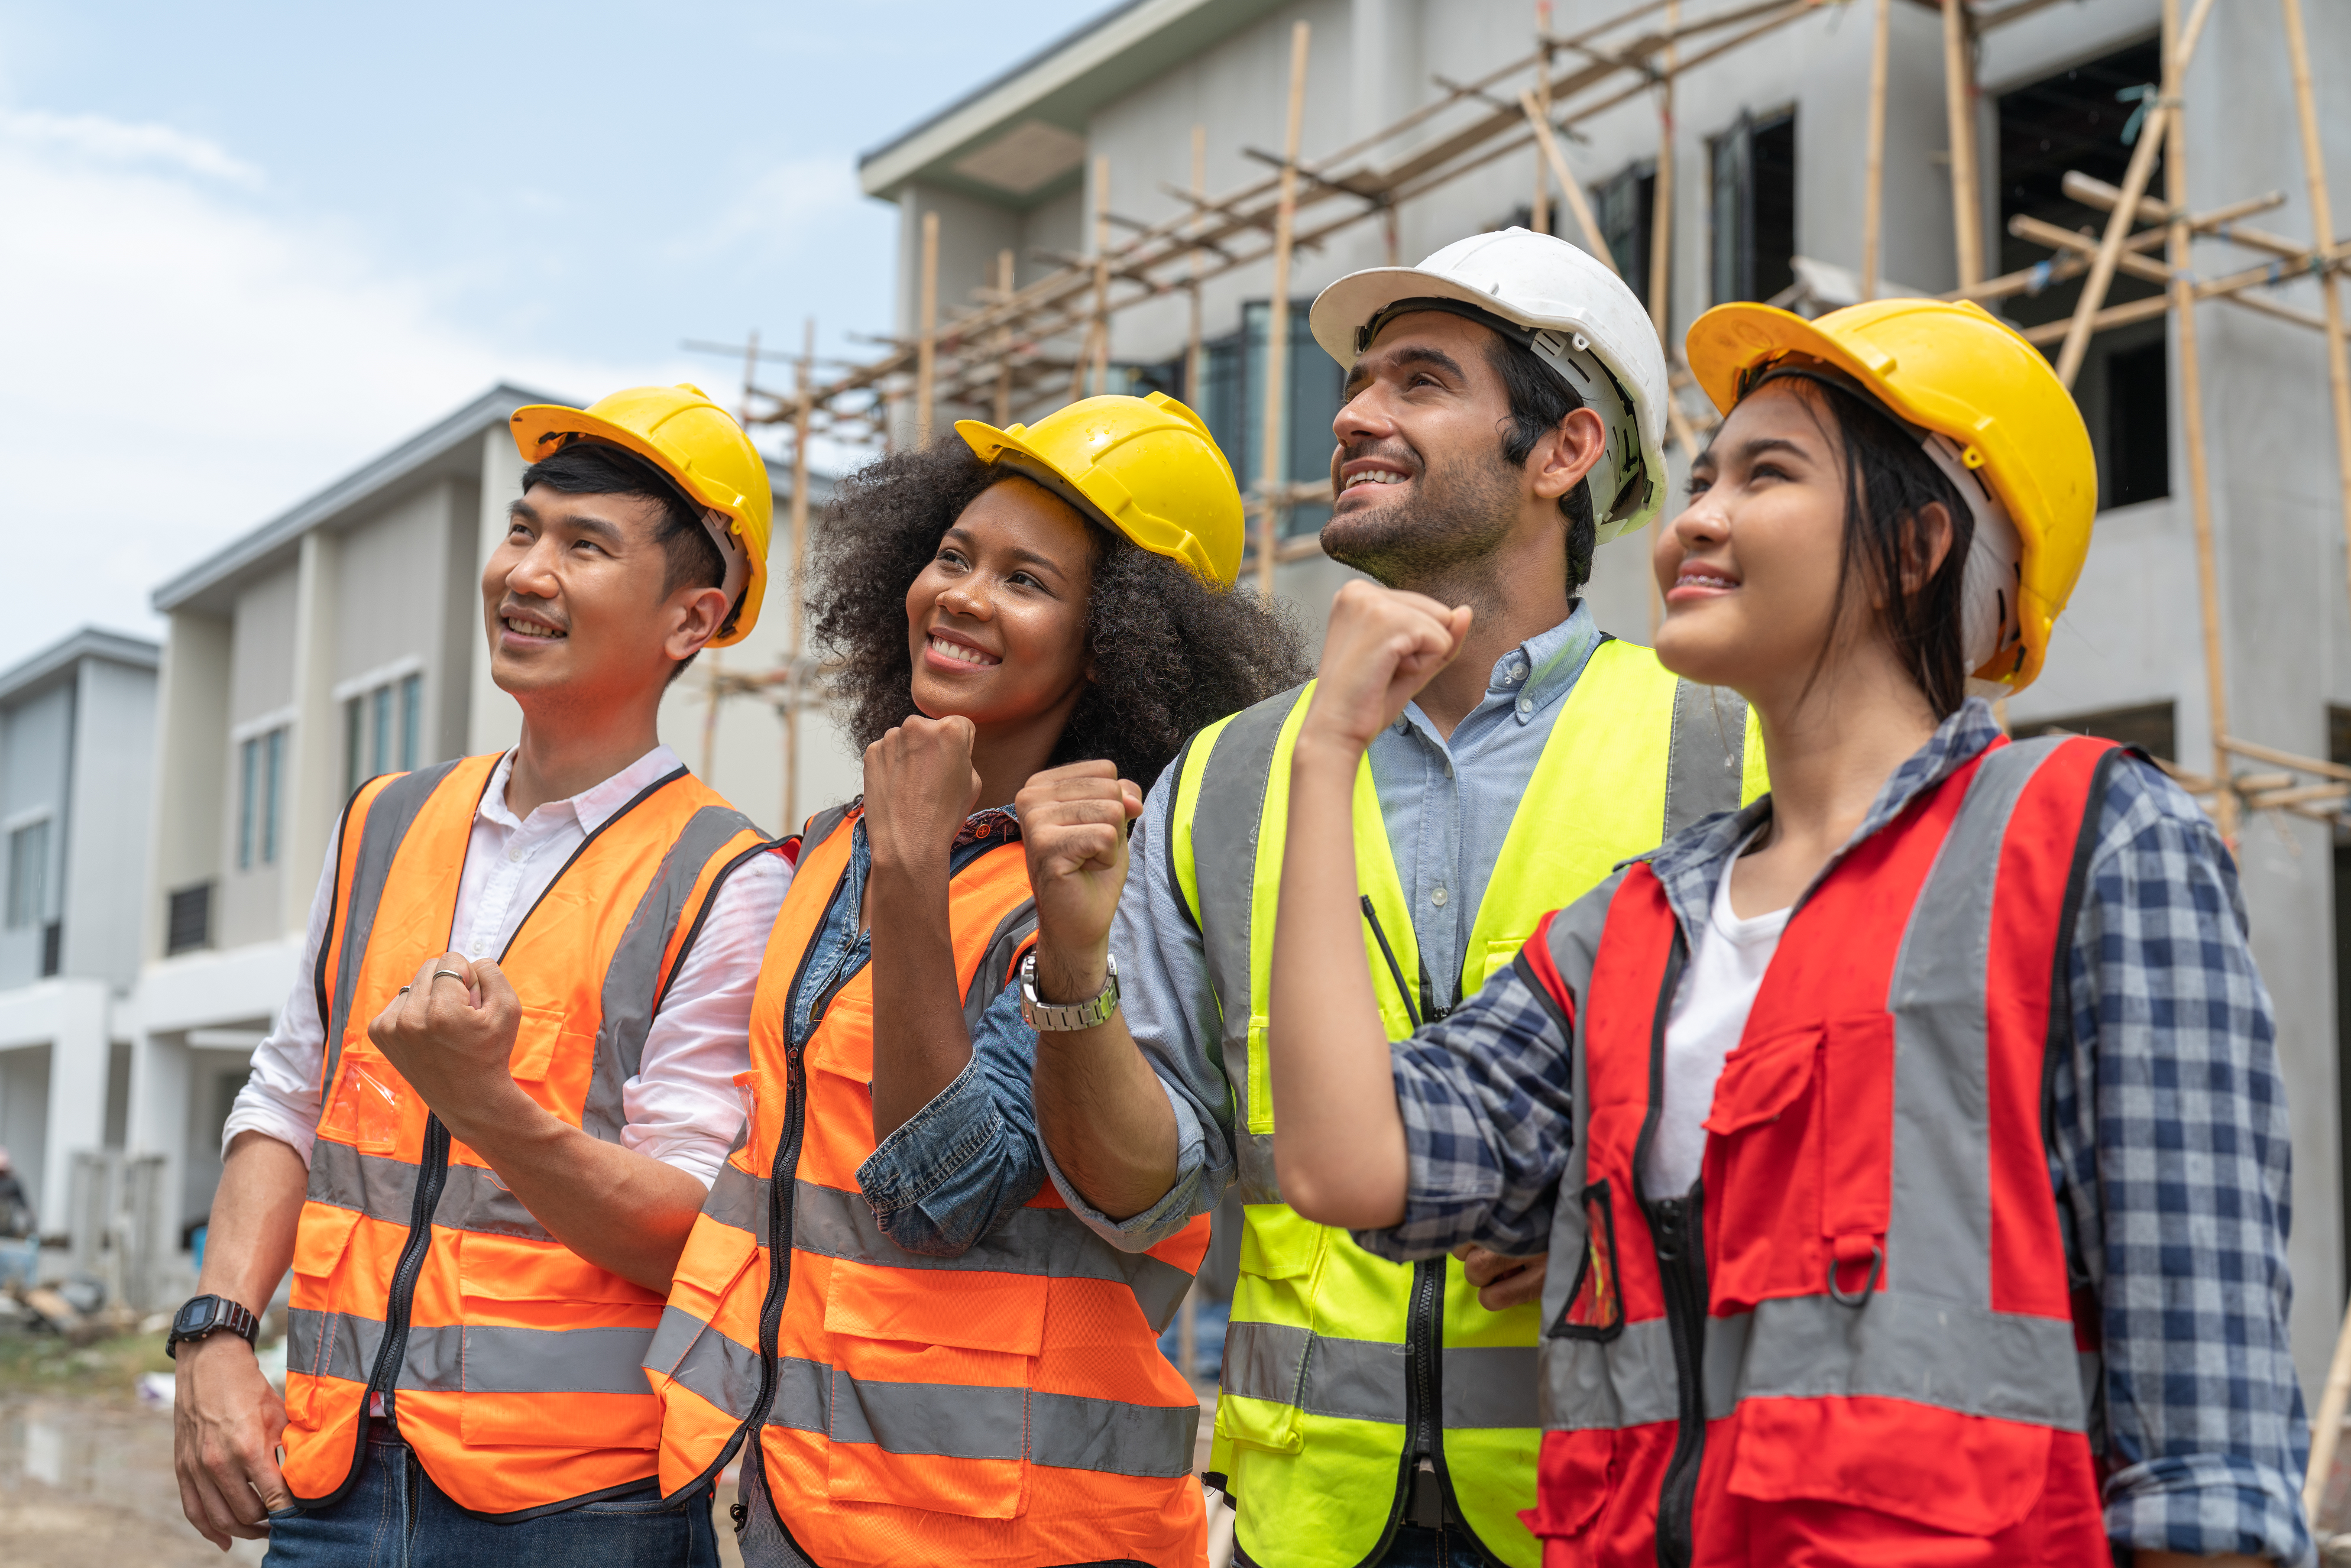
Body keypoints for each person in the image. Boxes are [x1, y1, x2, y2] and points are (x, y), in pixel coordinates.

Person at [1262, 297, 2310, 1566]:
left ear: (1915, 544)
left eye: (1765, 474)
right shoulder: (1632, 929)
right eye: (1701, 475)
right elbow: (1346, 1164)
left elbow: (2205, 1451)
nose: (1694, 516)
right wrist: (1328, 748)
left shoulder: (2088, 842)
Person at [1012, 230, 1761, 1568]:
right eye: (1360, 383)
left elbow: (1835, 1137)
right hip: (1306, 1526)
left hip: (1617, 1512)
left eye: (1418, 381)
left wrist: (1623, 1226)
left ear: (1562, 450)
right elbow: (1136, 1186)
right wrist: (1071, 982)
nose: (1353, 415)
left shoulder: (1726, 748)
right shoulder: (1228, 777)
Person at [643, 392, 1309, 1567]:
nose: (960, 595)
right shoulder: (835, 842)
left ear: (1113, 642)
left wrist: (908, 876)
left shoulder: (1130, 877)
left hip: (1017, 1529)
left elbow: (940, 1195)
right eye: (952, 556)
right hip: (805, 1496)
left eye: (1024, 580)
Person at [173, 385, 789, 1566]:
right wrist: (216, 1332)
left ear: (690, 618)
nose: (528, 572)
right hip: (331, 1483)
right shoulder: (385, 821)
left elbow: (690, 1231)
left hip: (582, 1514)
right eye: (523, 531)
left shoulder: (729, 879)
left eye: (584, 545)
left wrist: (483, 1101)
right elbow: (287, 1099)